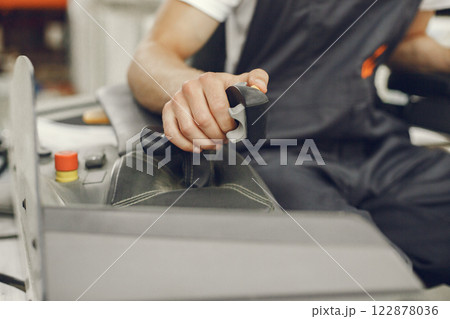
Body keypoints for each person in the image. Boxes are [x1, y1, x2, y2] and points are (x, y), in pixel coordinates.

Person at [128, 0, 450, 287]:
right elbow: (154, 51)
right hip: (275, 151)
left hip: (372, 141)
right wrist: (191, 92)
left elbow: (407, 41)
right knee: (362, 274)